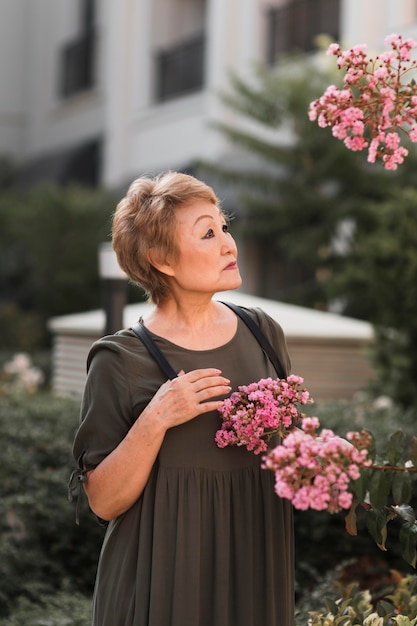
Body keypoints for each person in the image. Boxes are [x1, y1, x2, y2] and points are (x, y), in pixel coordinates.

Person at [70, 171, 294, 625]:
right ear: (162, 259)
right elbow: (103, 501)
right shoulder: (120, 359)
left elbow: (289, 451)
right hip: (159, 586)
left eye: (224, 227)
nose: (229, 244)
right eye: (208, 233)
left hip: (255, 572)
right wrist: (156, 418)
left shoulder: (262, 332)